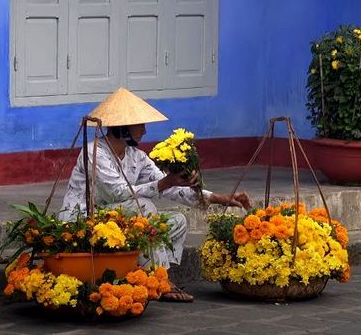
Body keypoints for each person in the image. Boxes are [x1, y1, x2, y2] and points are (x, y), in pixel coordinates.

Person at [58, 87, 251, 302]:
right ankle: (160, 282)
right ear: (122, 127)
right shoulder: (94, 152)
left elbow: (170, 187)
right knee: (145, 207)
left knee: (177, 221)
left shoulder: (136, 156)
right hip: (86, 217)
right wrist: (164, 182)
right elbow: (118, 193)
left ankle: (156, 275)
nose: (144, 131)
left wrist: (219, 197)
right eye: (140, 125)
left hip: (115, 218)